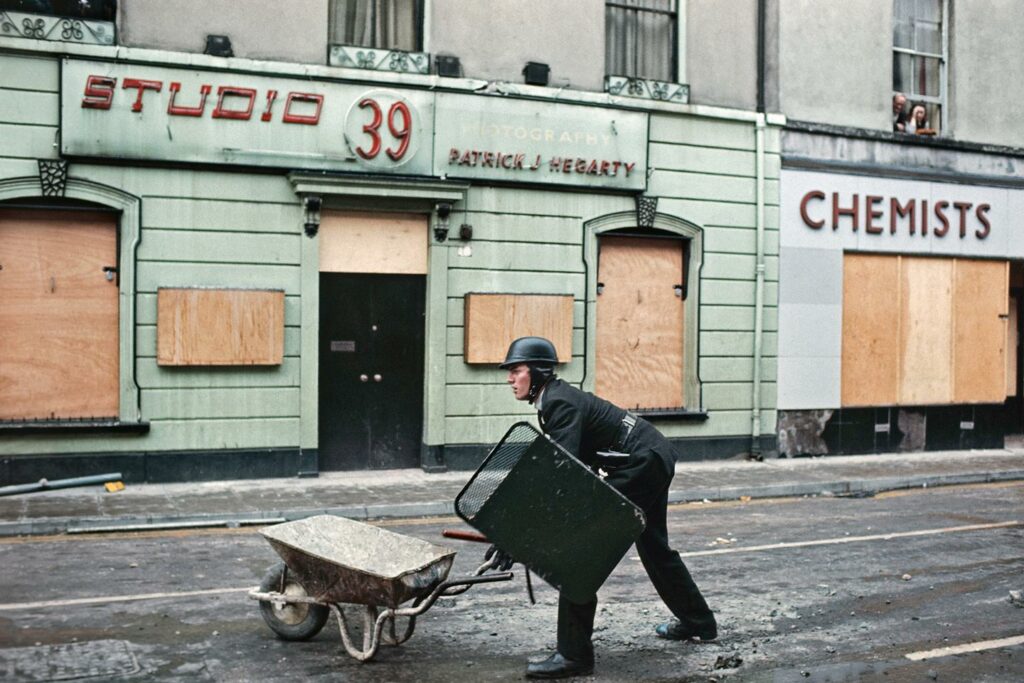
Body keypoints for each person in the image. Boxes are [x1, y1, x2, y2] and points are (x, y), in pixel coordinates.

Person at [495, 336, 717, 679]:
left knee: (578, 555)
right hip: (650, 457)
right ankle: (698, 622)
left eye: (516, 370)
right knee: (654, 548)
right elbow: (565, 469)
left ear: (538, 372)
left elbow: (562, 471)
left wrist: (516, 532)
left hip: (642, 463)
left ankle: (574, 656)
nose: (510, 378)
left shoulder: (559, 403)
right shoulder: (554, 399)